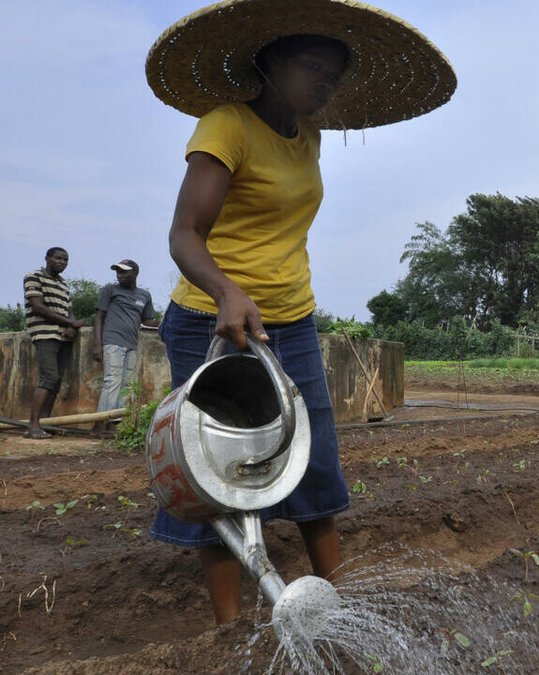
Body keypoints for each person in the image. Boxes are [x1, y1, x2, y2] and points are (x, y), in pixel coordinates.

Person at [144, 0, 455, 625]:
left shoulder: (309, 136)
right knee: (219, 470)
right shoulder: (226, 127)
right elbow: (184, 235)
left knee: (314, 457)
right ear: (271, 63)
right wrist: (228, 292)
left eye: (333, 76)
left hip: (291, 320)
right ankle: (228, 628)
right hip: (215, 320)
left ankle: (335, 606)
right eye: (313, 67)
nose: (324, 84)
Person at [22, 247, 87, 439]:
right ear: (47, 258)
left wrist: (72, 327)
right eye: (58, 258)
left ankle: (45, 423)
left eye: (65, 260)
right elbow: (38, 307)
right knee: (48, 377)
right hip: (44, 334)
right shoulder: (34, 276)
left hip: (63, 336)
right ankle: (32, 426)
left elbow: (69, 311)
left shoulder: (63, 284)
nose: (62, 262)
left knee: (56, 381)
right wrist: (70, 323)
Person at [91, 259, 158, 436]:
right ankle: (99, 425)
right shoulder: (110, 290)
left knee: (126, 385)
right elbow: (99, 316)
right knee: (112, 381)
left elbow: (147, 320)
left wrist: (167, 322)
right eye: (117, 272)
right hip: (112, 341)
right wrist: (97, 344)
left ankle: (114, 425)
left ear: (135, 273)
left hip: (131, 344)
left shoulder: (144, 295)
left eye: (123, 272)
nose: (119, 275)